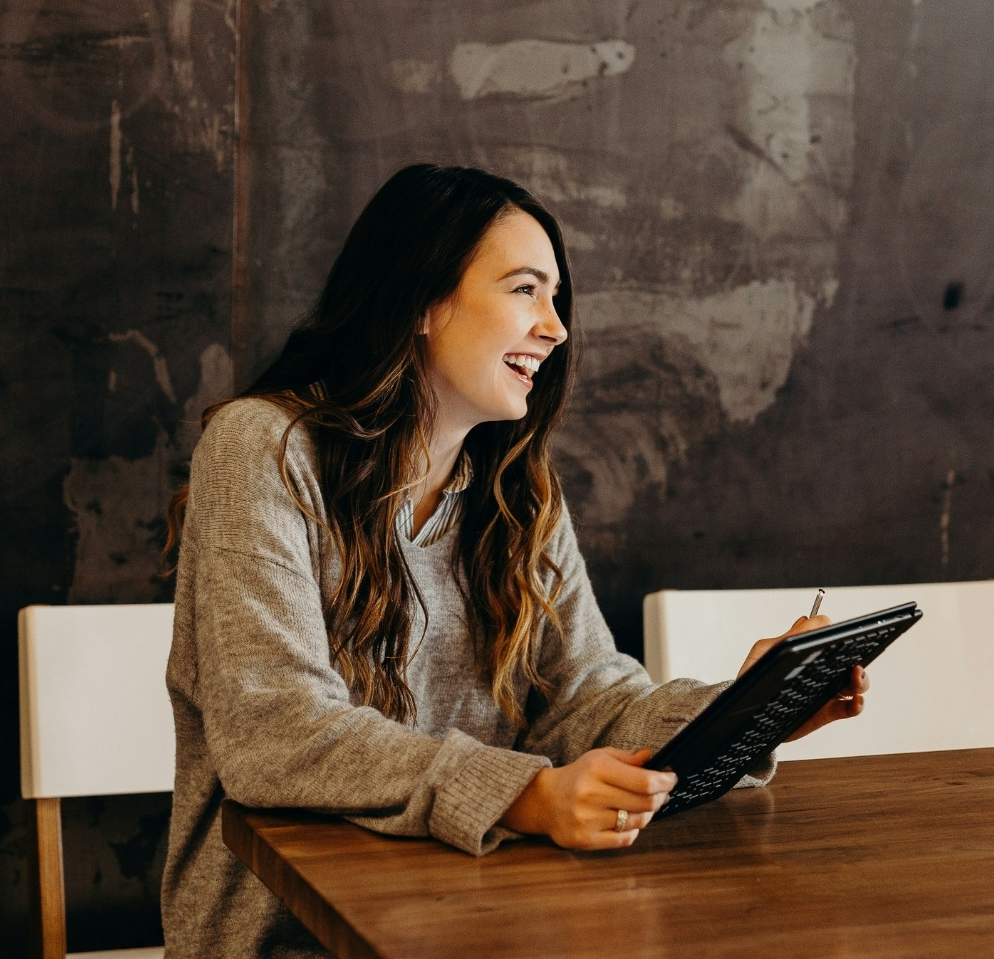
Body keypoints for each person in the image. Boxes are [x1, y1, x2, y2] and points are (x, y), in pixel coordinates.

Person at [160, 164, 869, 959]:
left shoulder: (518, 493)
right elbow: (276, 732)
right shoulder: (263, 449)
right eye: (526, 289)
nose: (556, 328)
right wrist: (528, 796)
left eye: (556, 298)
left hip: (476, 918)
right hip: (290, 938)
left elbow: (588, 704)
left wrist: (745, 711)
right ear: (422, 301)